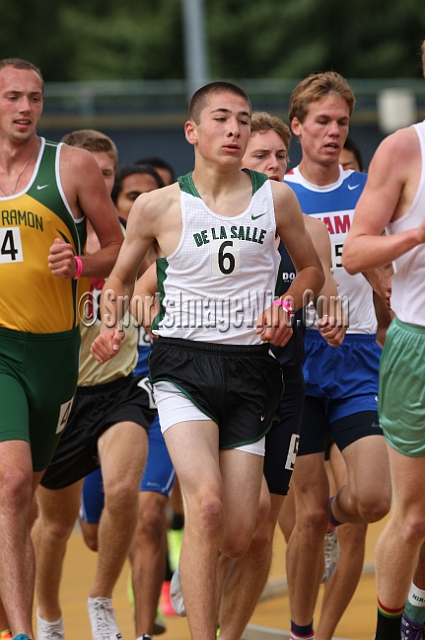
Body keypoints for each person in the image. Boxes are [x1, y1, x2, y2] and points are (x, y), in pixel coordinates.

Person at [90, 81, 325, 640]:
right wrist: (109, 323)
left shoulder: (277, 200)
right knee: (208, 505)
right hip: (182, 369)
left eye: (243, 119)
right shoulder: (157, 205)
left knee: (241, 536)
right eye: (222, 118)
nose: (235, 129)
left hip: (252, 370)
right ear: (193, 131)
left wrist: (286, 305)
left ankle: (194, 580)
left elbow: (312, 273)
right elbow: (120, 278)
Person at [211, 111, 346, 640]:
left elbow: (324, 294)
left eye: (279, 156)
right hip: (222, 386)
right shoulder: (210, 220)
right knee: (226, 521)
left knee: (265, 524)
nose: (272, 165)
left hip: (286, 389)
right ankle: (201, 589)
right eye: (259, 156)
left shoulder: (302, 225)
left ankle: (227, 632)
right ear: (237, 159)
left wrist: (328, 318)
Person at [0, 59, 122, 640]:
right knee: (13, 485)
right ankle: (24, 633)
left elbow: (118, 247)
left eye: (34, 98)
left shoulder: (71, 166)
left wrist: (78, 263)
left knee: (22, 507)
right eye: (12, 97)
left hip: (55, 356)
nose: (24, 108)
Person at [31, 129, 154, 640]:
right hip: (62, 394)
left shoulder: (131, 239)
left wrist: (126, 323)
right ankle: (48, 615)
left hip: (118, 389)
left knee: (126, 488)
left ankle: (102, 600)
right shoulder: (51, 237)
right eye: (93, 175)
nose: (100, 184)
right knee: (57, 526)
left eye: (108, 175)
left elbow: (151, 291)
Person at [283, 71, 392, 640]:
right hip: (296, 362)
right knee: (300, 513)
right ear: (297, 126)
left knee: (373, 498)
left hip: (357, 360)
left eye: (342, 122)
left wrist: (387, 286)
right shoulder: (276, 195)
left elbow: (389, 265)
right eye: (321, 121)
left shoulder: (369, 188)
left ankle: (331, 515)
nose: (332, 131)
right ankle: (307, 634)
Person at [342, 37, 425, 640]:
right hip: (419, 344)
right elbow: (354, 251)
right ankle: (390, 631)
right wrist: (416, 234)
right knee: (414, 516)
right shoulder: (405, 148)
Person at [77, 160, 175, 640]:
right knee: (98, 532)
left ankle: (141, 626)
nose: (137, 203)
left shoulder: (175, 253)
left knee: (148, 512)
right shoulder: (110, 255)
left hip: (159, 400)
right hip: (103, 396)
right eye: (128, 195)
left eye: (147, 195)